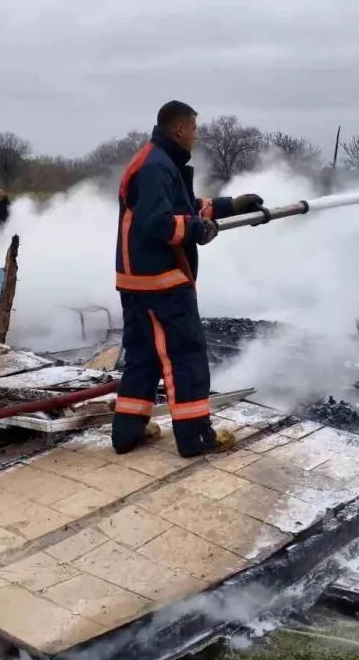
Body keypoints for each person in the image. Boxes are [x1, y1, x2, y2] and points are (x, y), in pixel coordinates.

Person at [112, 101, 264, 458]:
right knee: (187, 355)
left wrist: (231, 205)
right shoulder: (155, 167)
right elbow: (160, 223)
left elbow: (183, 206)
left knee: (144, 357)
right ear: (180, 129)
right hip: (161, 282)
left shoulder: (159, 162)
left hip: (140, 282)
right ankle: (196, 437)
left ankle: (127, 433)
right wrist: (197, 230)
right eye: (194, 128)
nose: (196, 135)